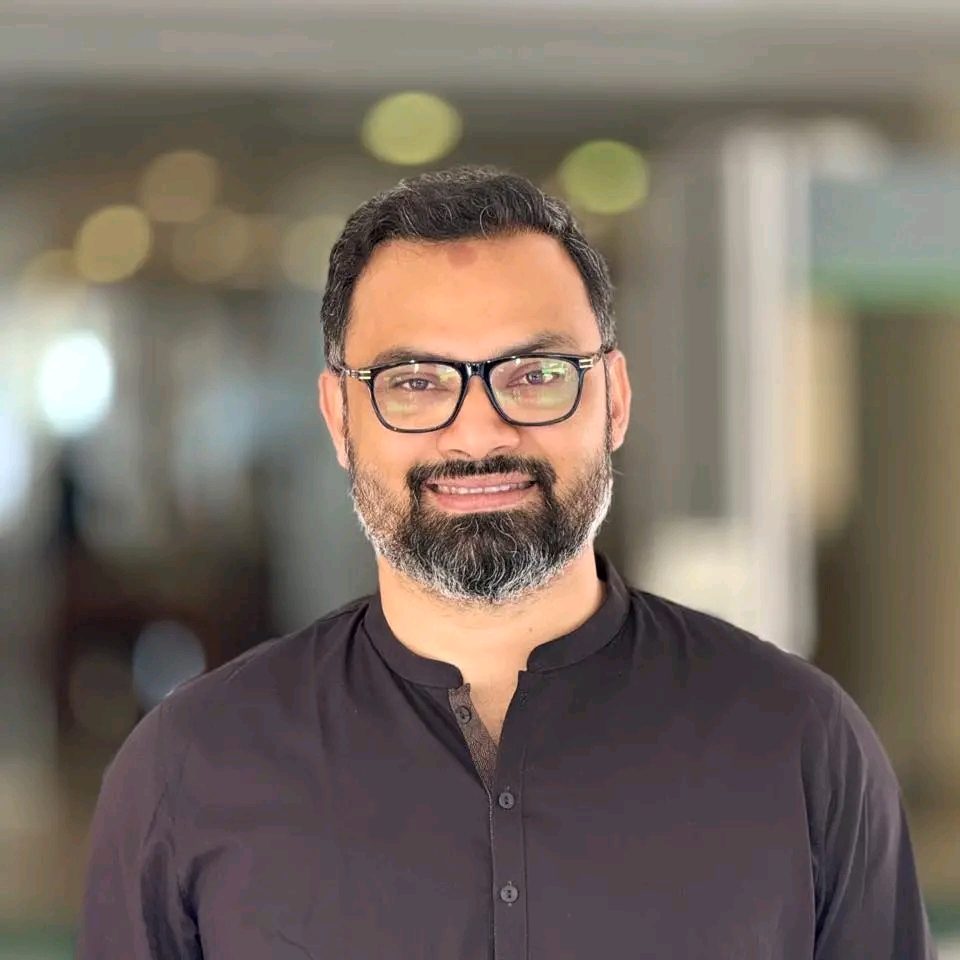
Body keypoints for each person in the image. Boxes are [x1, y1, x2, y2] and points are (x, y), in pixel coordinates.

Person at [77, 167, 936, 959]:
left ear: (614, 399)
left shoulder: (799, 742)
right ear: (339, 417)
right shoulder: (189, 768)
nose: (480, 430)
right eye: (416, 381)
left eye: (535, 374)